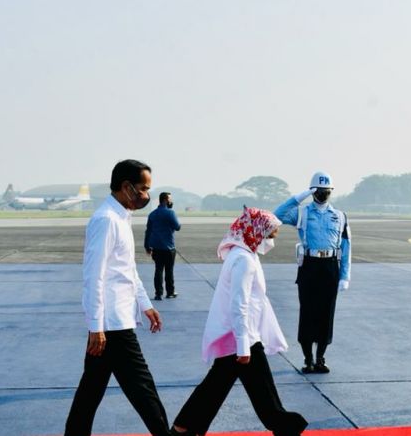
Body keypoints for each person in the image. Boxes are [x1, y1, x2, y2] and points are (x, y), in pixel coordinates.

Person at [171, 208, 307, 436]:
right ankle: (286, 426)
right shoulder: (243, 260)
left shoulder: (245, 254)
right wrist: (244, 345)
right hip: (242, 336)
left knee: (220, 385)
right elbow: (239, 303)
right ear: (257, 231)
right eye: (270, 234)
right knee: (259, 392)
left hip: (240, 334)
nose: (272, 239)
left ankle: (183, 428)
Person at [65, 159, 169, 436]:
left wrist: (145, 304)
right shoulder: (106, 220)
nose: (146, 195)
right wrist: (96, 326)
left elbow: (127, 269)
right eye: (143, 188)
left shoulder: (122, 216)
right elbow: (94, 275)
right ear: (126, 187)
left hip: (116, 318)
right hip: (112, 324)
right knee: (143, 390)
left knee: (90, 391)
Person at [274, 171, 351, 374]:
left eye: (326, 191)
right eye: (318, 191)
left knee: (326, 313)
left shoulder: (340, 216)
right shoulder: (302, 213)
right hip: (309, 265)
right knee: (308, 312)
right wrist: (298, 198)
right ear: (312, 191)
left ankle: (320, 358)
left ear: (331, 192)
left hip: (330, 266)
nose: (323, 195)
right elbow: (276, 216)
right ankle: (308, 358)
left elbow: (346, 247)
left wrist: (345, 275)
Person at [145, 192, 182, 300]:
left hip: (156, 247)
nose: (171, 201)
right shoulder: (170, 213)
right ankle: (170, 292)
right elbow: (177, 227)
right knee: (169, 270)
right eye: (170, 199)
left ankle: (158, 294)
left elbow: (148, 231)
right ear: (165, 200)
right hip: (169, 247)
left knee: (158, 270)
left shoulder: (152, 214)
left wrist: (147, 246)